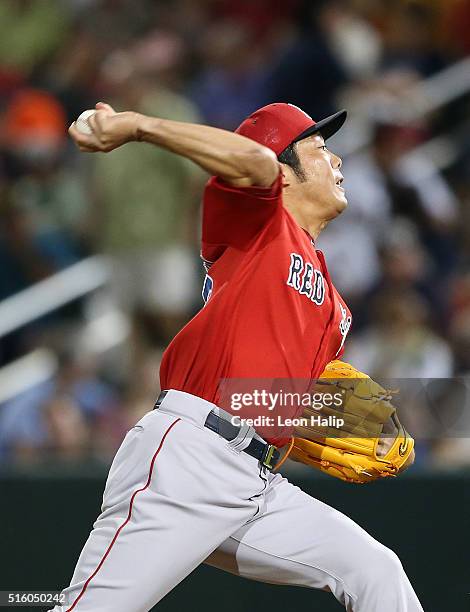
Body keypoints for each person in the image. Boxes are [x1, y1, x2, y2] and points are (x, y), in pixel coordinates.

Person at [58, 101, 424, 611]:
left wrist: (328, 419)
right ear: (284, 170)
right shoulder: (256, 224)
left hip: (256, 480)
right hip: (189, 461)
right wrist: (137, 126)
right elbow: (254, 164)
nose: (338, 161)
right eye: (320, 149)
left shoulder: (334, 305)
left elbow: (271, 397)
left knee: (374, 569)